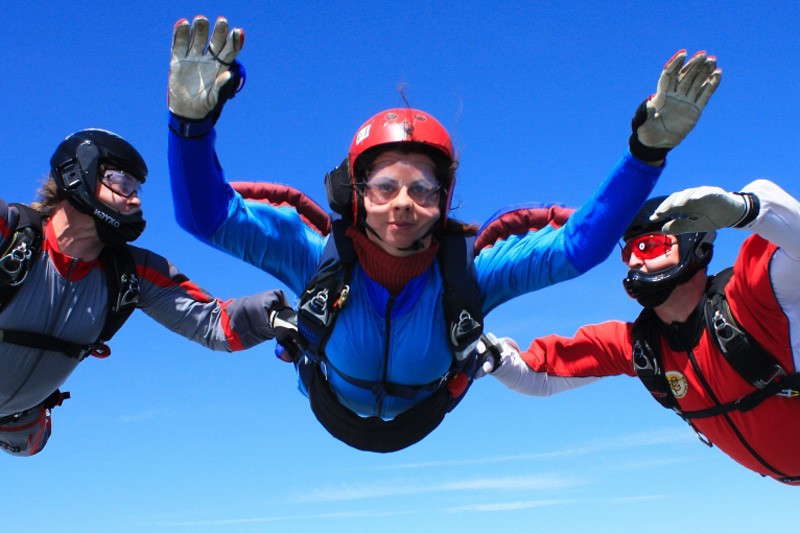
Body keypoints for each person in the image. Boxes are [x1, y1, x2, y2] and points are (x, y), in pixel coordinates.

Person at [166, 15, 720, 452]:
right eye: (385, 186)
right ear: (356, 193)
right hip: (329, 402)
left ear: (445, 200)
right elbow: (204, 216)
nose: (403, 204)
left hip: (422, 415)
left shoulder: (469, 274)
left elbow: (580, 246)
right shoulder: (315, 257)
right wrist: (190, 127)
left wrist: (646, 153)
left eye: (424, 189)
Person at [0, 128, 296, 456]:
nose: (137, 198)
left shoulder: (129, 274)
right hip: (17, 414)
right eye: (122, 183)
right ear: (77, 173)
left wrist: (276, 316)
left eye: (137, 188)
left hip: (19, 417)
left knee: (31, 441)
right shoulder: (11, 235)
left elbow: (213, 323)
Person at [486, 180, 800, 484]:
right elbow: (536, 377)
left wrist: (748, 208)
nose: (634, 260)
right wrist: (490, 356)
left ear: (693, 245)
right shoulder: (642, 346)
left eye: (649, 246)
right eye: (628, 253)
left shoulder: (751, 299)